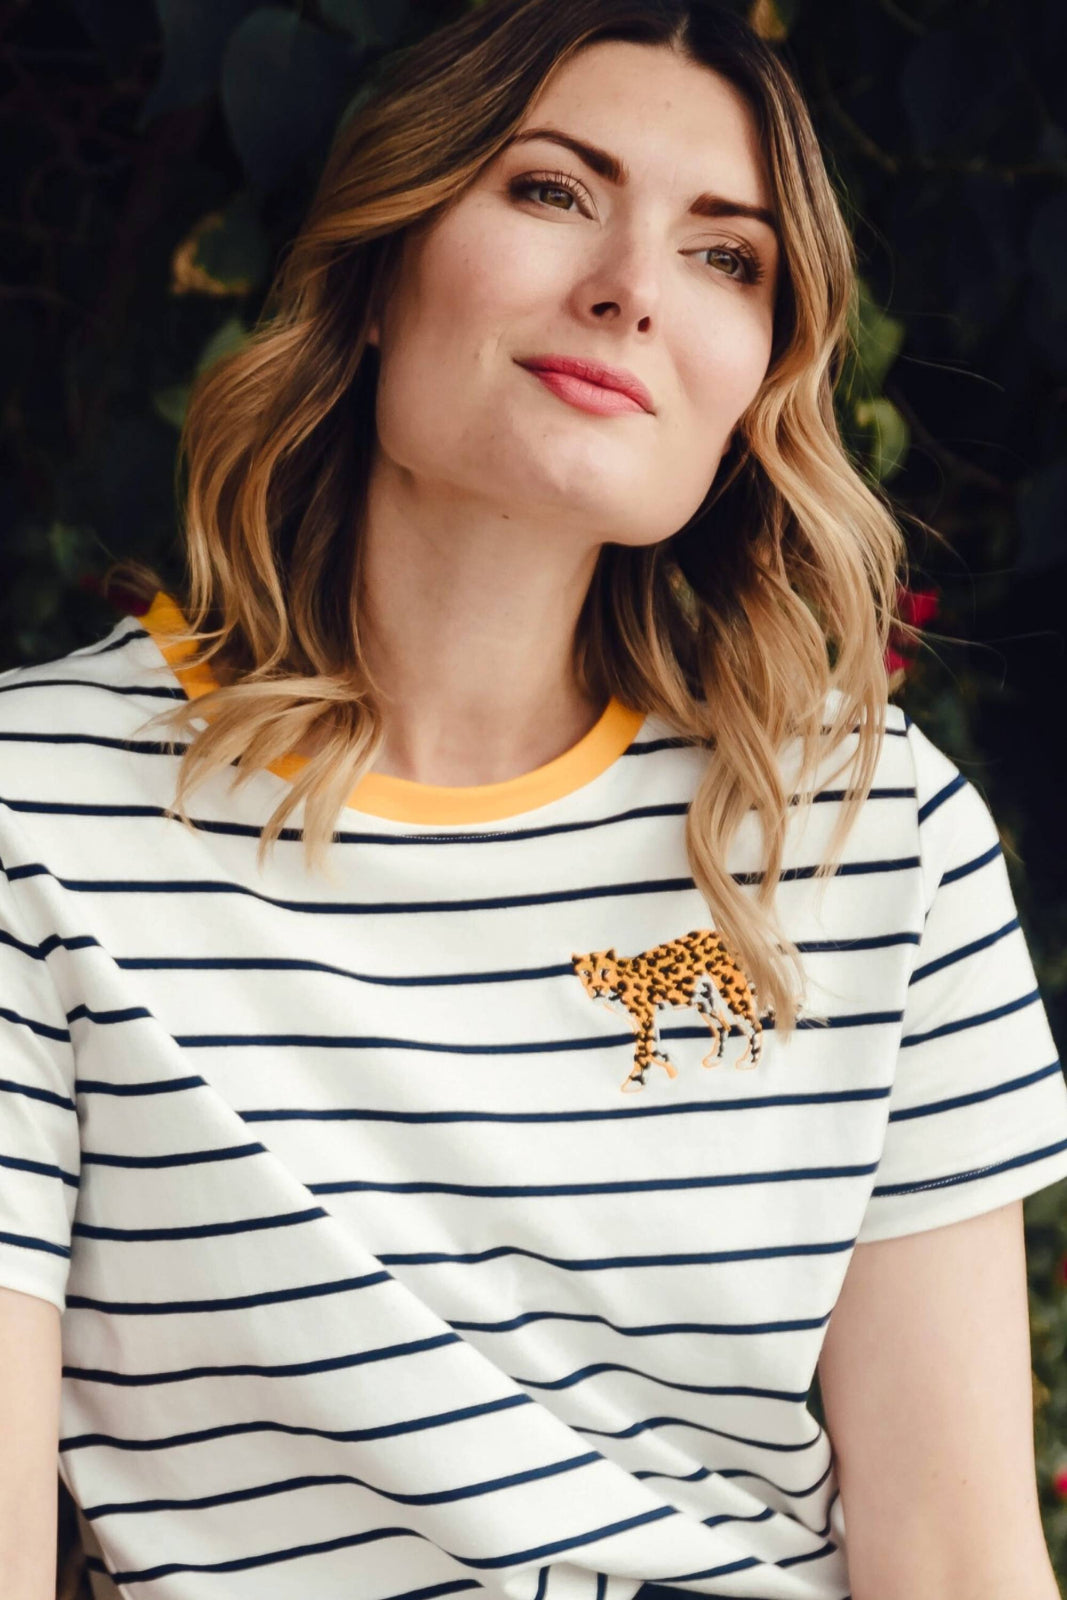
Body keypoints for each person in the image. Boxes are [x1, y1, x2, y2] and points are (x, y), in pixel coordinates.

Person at [2, 1, 1066, 1596]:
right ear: (377, 270)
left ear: (763, 376)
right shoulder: (41, 813)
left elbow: (959, 1549)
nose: (632, 289)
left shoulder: (874, 840)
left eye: (730, 257)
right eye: (554, 191)